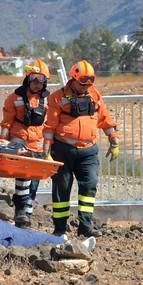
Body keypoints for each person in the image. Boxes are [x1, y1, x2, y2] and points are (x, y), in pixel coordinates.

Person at [43, 59, 120, 237]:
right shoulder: (58, 97)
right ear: (73, 79)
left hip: (88, 151)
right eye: (82, 83)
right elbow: (50, 127)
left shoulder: (94, 96)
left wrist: (114, 140)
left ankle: (85, 226)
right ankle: (60, 229)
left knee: (90, 185)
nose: (86, 87)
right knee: (62, 189)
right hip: (63, 150)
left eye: (89, 83)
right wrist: (46, 151)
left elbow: (105, 119)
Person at [0, 58, 51, 228]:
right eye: (34, 79)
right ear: (28, 79)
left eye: (41, 80)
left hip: (37, 143)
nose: (37, 83)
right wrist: (3, 142)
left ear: (45, 82)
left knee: (34, 181)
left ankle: (25, 216)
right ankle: (21, 213)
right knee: (24, 173)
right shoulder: (14, 98)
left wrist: (49, 146)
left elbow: (51, 124)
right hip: (18, 140)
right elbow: (6, 123)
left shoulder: (48, 101)